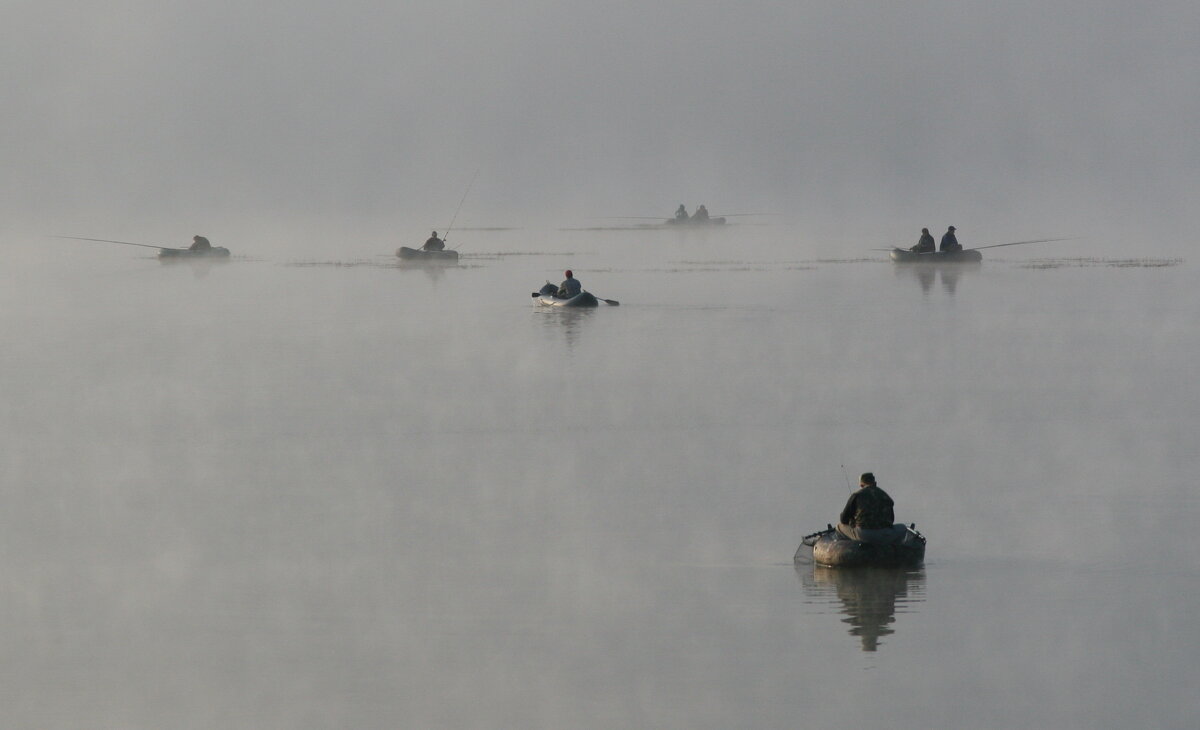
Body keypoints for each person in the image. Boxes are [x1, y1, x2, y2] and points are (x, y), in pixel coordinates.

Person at [837, 473, 896, 542]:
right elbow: (891, 519)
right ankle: (895, 547)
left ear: (861, 485)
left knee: (839, 527)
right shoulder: (886, 496)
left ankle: (847, 546)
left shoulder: (857, 495)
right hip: (884, 535)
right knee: (902, 528)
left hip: (864, 534)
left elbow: (843, 519)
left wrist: (852, 522)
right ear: (875, 483)